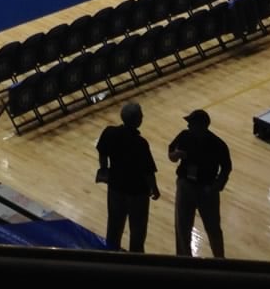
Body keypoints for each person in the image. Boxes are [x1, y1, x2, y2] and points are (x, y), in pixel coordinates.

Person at [95, 102, 160, 253]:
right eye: (141, 115)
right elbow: (147, 171)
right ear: (137, 119)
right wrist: (154, 188)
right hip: (137, 192)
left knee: (114, 227)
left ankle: (110, 258)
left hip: (116, 187)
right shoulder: (140, 143)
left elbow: (102, 152)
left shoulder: (109, 132)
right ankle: (135, 264)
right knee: (137, 231)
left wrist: (104, 169)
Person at [168, 109, 231, 258]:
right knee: (182, 227)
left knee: (213, 227)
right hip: (186, 185)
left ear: (201, 126)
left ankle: (219, 259)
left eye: (191, 123)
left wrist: (217, 185)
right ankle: (184, 259)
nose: (188, 126)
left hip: (207, 188)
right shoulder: (184, 136)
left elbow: (227, 167)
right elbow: (171, 152)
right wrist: (175, 155)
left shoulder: (217, 144)